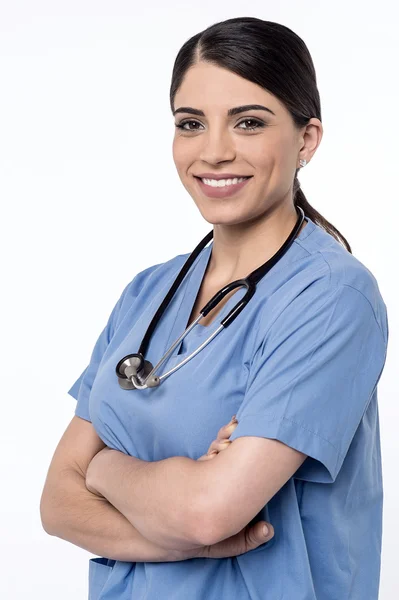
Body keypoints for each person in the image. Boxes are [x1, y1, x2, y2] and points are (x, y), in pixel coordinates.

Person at [40, 16, 389, 600]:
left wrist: (103, 470)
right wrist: (184, 513)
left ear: (306, 139)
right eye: (191, 124)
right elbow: (57, 504)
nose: (215, 152)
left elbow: (207, 512)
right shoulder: (148, 293)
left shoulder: (331, 299)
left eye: (249, 122)